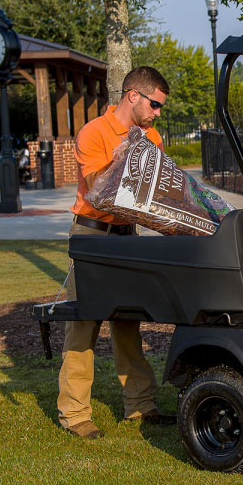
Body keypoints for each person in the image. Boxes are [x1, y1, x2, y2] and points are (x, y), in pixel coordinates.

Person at [57, 66, 176, 439]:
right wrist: (130, 154)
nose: (157, 113)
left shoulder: (152, 137)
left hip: (127, 235)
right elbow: (98, 188)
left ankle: (141, 405)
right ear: (133, 95)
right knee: (85, 323)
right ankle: (74, 414)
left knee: (127, 321)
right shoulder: (94, 132)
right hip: (91, 235)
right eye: (154, 104)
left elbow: (156, 191)